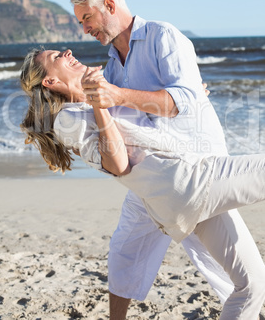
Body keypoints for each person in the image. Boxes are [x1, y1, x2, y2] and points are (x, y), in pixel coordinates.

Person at [20, 48, 265, 320]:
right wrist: (99, 106)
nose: (67, 51)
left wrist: (187, 105)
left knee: (252, 283)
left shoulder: (104, 95)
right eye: (56, 57)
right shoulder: (68, 119)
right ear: (50, 82)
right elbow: (118, 165)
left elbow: (151, 132)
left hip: (180, 195)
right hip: (190, 181)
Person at [69, 0, 241, 318]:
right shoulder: (113, 64)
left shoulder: (163, 36)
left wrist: (119, 96)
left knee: (222, 261)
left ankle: (247, 307)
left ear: (110, 6)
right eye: (80, 22)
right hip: (151, 176)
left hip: (197, 170)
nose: (84, 28)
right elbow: (123, 116)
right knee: (124, 250)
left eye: (86, 18)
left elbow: (183, 102)